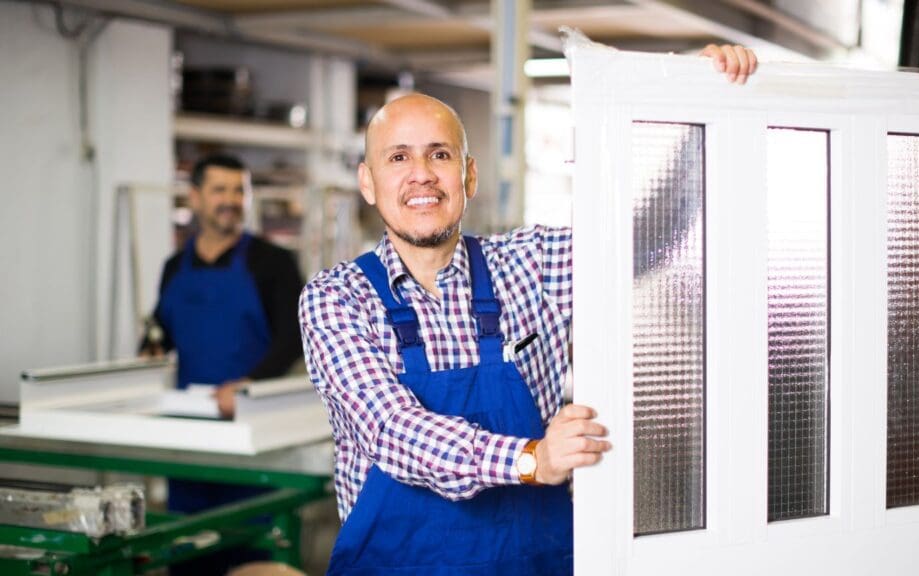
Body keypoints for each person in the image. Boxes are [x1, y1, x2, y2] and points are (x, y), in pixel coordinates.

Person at [300, 45, 757, 575]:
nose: (421, 174)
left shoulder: (530, 266)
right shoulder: (336, 298)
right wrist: (531, 460)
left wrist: (684, 89)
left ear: (468, 177)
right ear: (368, 182)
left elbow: (648, 239)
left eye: (439, 154)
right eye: (398, 157)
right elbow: (393, 432)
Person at [143, 153, 305, 574]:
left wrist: (248, 387)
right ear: (195, 197)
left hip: (253, 443)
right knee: (187, 549)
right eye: (220, 190)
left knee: (251, 555)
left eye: (239, 190)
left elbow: (295, 337)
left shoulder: (273, 263)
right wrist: (148, 353)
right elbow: (160, 331)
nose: (231, 200)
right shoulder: (174, 267)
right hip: (190, 438)